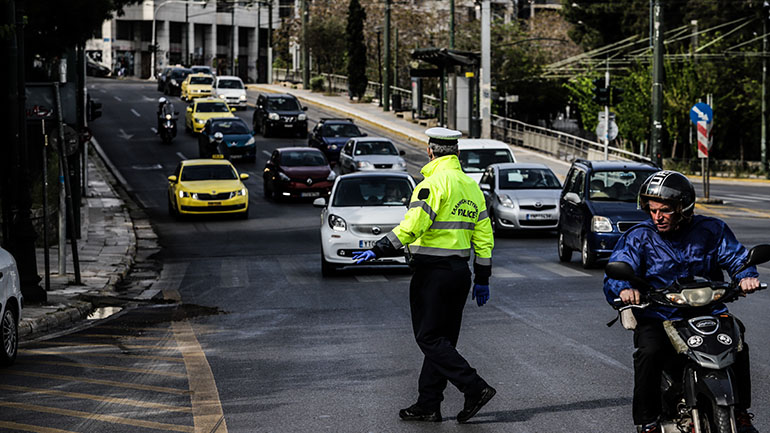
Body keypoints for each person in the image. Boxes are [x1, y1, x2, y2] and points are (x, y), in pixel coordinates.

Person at [353, 127, 496, 424]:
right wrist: (482, 278)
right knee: (442, 341)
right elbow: (484, 239)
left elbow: (412, 226)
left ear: (430, 151)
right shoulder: (472, 187)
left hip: (433, 275)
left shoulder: (431, 185)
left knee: (429, 338)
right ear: (457, 153)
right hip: (460, 274)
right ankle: (428, 404)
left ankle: (474, 387)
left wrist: (379, 249)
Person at [603, 170, 760, 433]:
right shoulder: (639, 236)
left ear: (683, 208)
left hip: (707, 310)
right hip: (660, 315)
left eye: (665, 210)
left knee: (737, 338)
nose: (657, 216)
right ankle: (648, 422)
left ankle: (741, 413)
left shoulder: (711, 230)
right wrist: (625, 289)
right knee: (649, 352)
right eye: (653, 210)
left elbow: (737, 258)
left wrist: (746, 277)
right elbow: (618, 269)